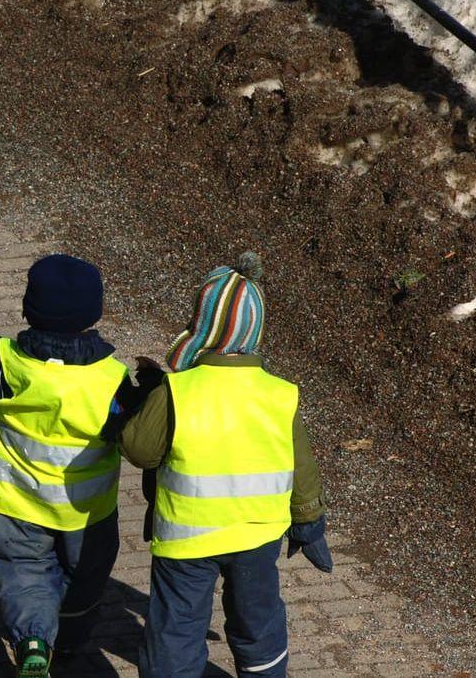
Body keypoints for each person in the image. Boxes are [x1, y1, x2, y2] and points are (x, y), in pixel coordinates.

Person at [0, 254, 141, 678]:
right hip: (86, 511)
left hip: (16, 500)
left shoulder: (9, 362)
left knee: (22, 571)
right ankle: (71, 642)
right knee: (85, 577)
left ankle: (35, 641)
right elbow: (139, 426)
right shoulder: (112, 378)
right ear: (94, 313)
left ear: (27, 308)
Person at [119, 253, 332, 678]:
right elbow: (300, 463)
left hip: (187, 538)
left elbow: (140, 450)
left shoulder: (177, 390)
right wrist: (308, 520)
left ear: (202, 327)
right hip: (257, 535)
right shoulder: (278, 393)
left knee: (177, 626)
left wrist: (141, 406)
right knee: (259, 620)